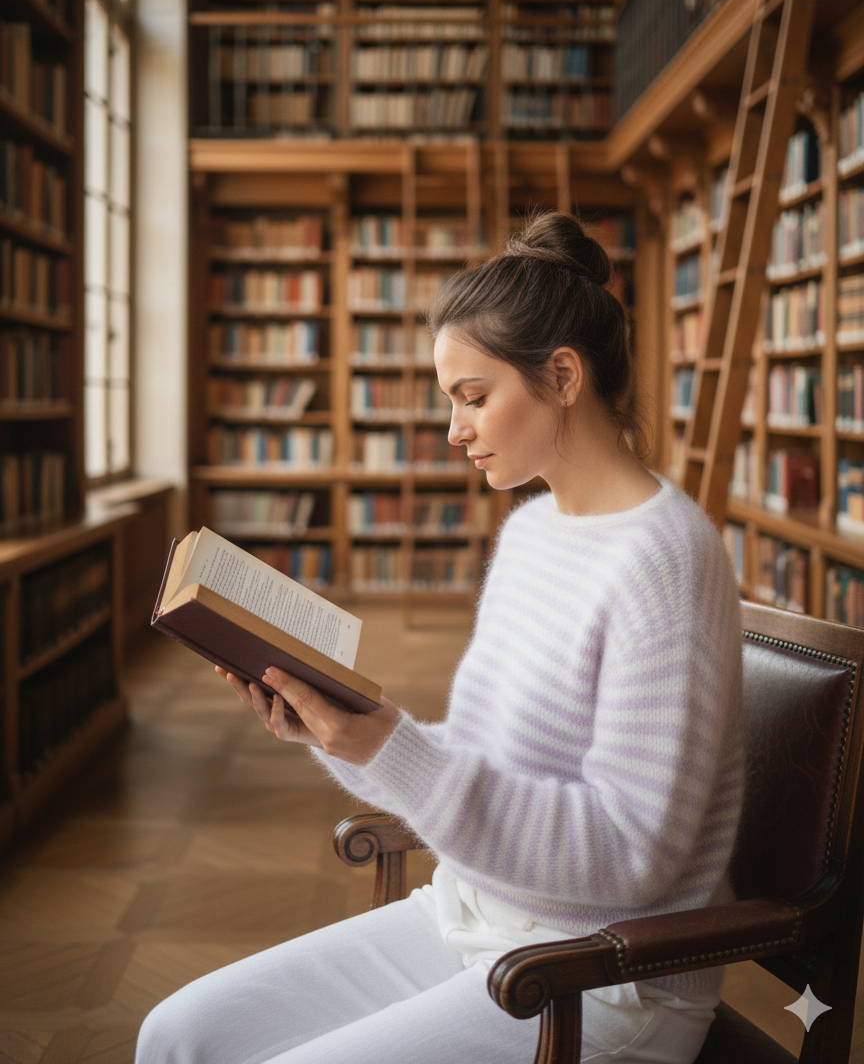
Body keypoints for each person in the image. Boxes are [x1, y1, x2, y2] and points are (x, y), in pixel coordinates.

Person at [136, 211, 744, 1064]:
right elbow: (483, 757)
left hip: (597, 974)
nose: (455, 429)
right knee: (174, 1036)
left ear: (563, 375)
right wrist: (339, 732)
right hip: (473, 910)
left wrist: (397, 752)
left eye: (474, 397)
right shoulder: (532, 534)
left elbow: (631, 854)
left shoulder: (666, 558)